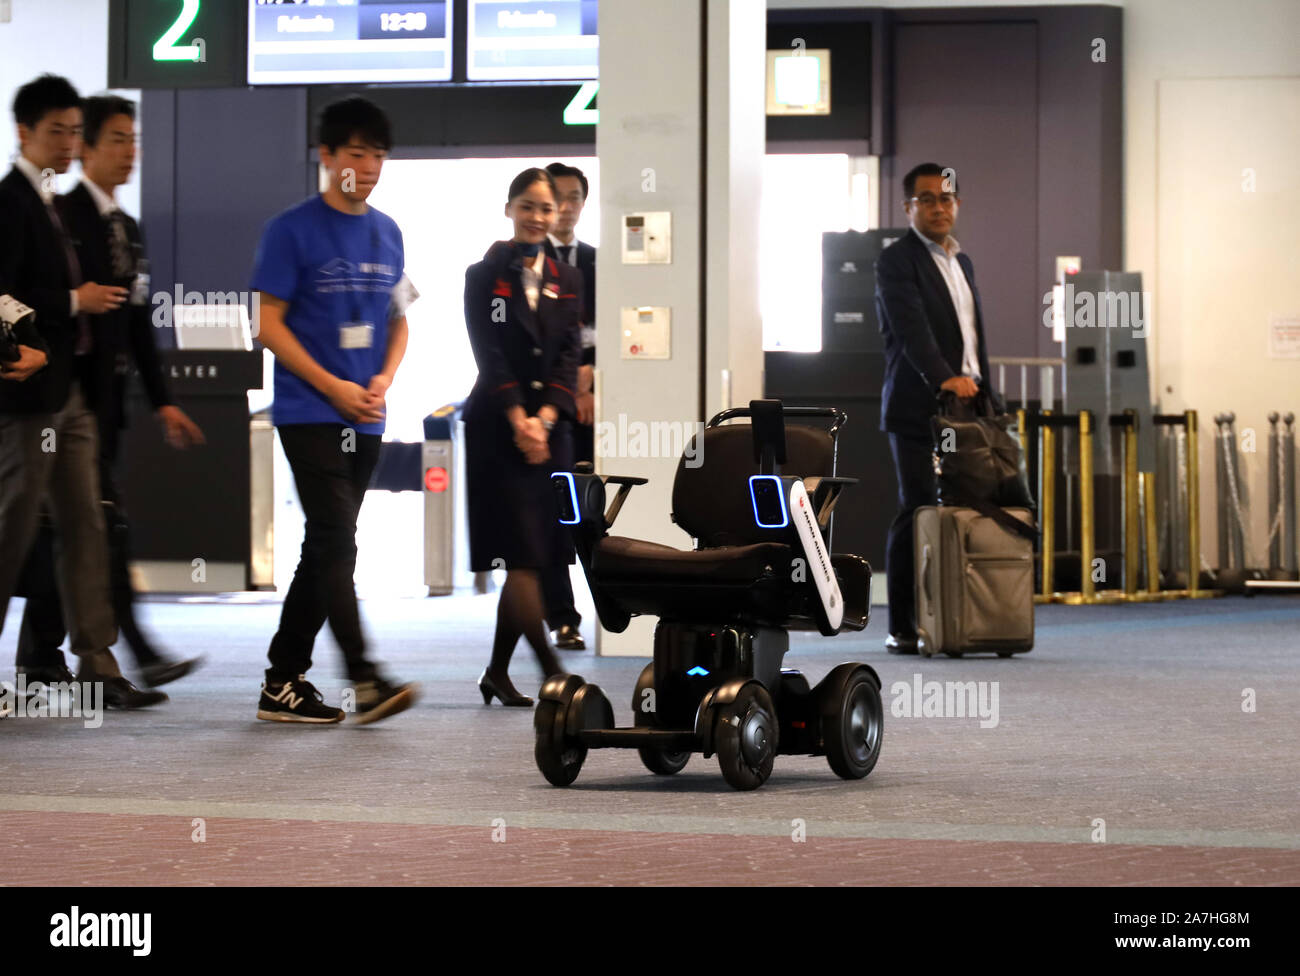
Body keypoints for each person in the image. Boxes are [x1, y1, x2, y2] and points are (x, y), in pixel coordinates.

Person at [16, 94, 205, 691]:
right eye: (115, 139)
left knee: (80, 526)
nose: (130, 152)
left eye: (133, 139)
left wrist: (163, 398)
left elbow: (137, 321)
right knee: (77, 526)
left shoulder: (127, 227)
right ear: (86, 148)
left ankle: (52, 658)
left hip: (101, 402)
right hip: (51, 397)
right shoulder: (58, 213)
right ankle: (103, 653)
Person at [249, 96, 418, 724]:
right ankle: (365, 676)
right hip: (307, 411)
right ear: (326, 156)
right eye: (356, 152)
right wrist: (331, 386)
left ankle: (283, 680)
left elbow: (399, 321)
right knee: (335, 540)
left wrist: (383, 377)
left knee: (326, 547)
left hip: (366, 414)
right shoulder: (289, 229)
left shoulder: (388, 230)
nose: (369, 165)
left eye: (378, 154)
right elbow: (267, 324)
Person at [0, 74, 160, 709]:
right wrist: (73, 300)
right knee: (12, 530)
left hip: (69, 395)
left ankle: (97, 660)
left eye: (73, 130)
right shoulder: (12, 202)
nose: (68, 143)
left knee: (87, 526)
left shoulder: (53, 205)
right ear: (25, 133)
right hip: (26, 394)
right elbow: (4, 288)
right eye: (57, 131)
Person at [874, 162, 1003, 655]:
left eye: (946, 198)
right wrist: (942, 376)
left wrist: (980, 384)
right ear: (909, 208)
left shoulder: (961, 261)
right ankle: (903, 625)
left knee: (970, 508)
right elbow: (911, 330)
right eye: (926, 199)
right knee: (920, 507)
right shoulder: (896, 261)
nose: (938, 207)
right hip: (918, 407)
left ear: (957, 204)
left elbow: (970, 336)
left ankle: (963, 617)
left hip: (968, 406)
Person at [463, 167, 580, 706]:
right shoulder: (484, 275)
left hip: (550, 435)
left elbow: (567, 355)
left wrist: (548, 419)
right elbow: (487, 352)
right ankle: (553, 670)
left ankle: (496, 672)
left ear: (559, 217)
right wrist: (520, 419)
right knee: (523, 556)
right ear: (510, 209)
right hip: (498, 430)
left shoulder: (567, 278)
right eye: (527, 206)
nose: (537, 217)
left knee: (532, 556)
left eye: (547, 208)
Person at [541, 161, 595, 652]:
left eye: (576, 196)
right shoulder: (524, 263)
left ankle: (614, 611)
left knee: (596, 513)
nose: (567, 206)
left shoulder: (601, 261)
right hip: (547, 410)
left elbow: (625, 331)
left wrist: (596, 377)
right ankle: (562, 616)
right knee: (554, 512)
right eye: (558, 196)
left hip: (598, 411)